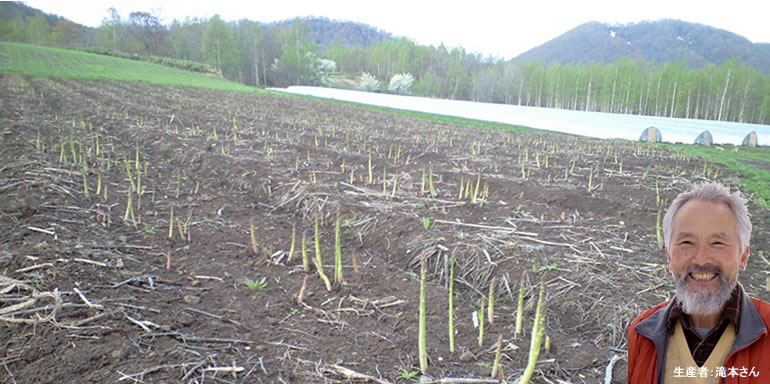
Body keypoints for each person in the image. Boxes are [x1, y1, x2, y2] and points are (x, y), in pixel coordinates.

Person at [628, 182, 770, 383]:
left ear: (744, 256)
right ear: (668, 255)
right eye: (687, 242)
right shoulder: (641, 334)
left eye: (718, 243)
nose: (701, 260)